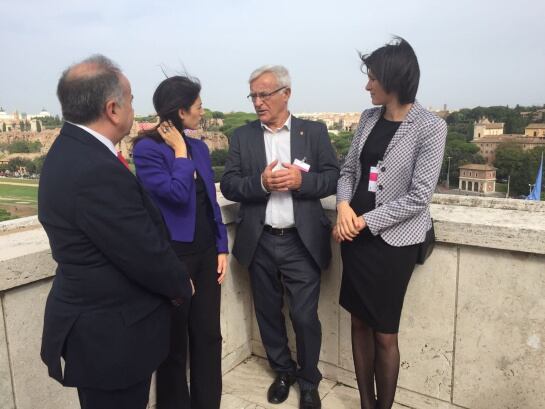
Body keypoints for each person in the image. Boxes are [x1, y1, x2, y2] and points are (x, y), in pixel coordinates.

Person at [38, 55, 193, 409]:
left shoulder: (70, 151)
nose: (134, 108)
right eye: (132, 99)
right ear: (112, 108)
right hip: (111, 340)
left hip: (98, 333)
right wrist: (181, 284)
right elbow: (143, 252)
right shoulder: (94, 169)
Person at [333, 37, 447, 409]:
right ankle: (366, 404)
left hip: (393, 244)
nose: (367, 86)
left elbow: (418, 197)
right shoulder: (367, 119)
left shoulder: (430, 127)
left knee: (384, 332)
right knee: (358, 323)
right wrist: (343, 207)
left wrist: (363, 221)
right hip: (355, 238)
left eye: (372, 78)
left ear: (393, 79)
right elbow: (349, 170)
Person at [220, 65, 339, 409]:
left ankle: (309, 380)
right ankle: (283, 371)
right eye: (253, 95)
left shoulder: (312, 132)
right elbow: (228, 184)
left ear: (286, 94)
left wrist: (303, 183)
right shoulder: (242, 137)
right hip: (260, 241)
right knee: (268, 313)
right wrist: (259, 184)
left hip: (302, 243)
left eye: (264, 94)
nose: (258, 102)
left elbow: (333, 177)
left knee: (304, 317)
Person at [132, 75, 228, 409]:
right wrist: (180, 152)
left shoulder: (199, 146)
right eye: (198, 107)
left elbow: (209, 202)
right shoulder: (147, 150)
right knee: (174, 346)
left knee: (208, 337)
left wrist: (221, 247)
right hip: (174, 259)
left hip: (205, 255)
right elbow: (176, 194)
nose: (202, 112)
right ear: (181, 112)